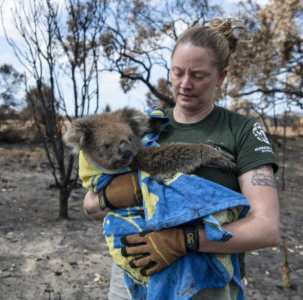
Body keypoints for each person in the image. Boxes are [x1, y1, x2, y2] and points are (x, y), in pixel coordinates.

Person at [84, 18, 280, 299]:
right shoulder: (144, 126)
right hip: (133, 275)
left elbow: (266, 229)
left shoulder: (242, 130)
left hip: (204, 279)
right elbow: (90, 205)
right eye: (177, 73)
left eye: (198, 75)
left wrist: (185, 241)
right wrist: (113, 196)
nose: (184, 84)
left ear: (221, 77)